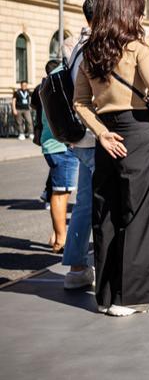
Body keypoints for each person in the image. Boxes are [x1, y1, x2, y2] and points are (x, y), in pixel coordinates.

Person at [73, 0, 149, 317]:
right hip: (138, 133)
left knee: (107, 215)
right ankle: (133, 298)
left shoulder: (90, 51)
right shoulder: (139, 47)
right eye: (139, 10)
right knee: (141, 215)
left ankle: (106, 296)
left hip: (107, 136)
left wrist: (101, 133)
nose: (142, 16)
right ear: (127, 13)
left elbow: (80, 103)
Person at [62, 0, 101, 290]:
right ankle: (105, 265)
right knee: (105, 203)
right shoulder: (96, 48)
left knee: (85, 203)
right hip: (99, 135)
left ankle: (76, 268)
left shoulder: (76, 46)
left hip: (82, 136)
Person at [40, 59, 79, 254]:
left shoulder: (50, 82)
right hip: (62, 146)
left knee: (59, 191)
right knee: (61, 193)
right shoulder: (63, 79)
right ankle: (60, 241)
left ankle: (56, 236)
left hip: (53, 145)